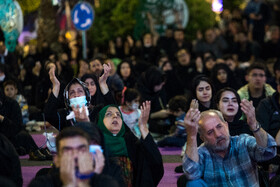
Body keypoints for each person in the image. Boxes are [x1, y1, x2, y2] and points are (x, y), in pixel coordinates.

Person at [181, 103, 277, 186]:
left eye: (219, 126)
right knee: (193, 183)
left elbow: (270, 152)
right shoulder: (202, 152)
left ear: (226, 125)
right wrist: (192, 135)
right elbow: (191, 173)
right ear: (203, 138)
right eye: (210, 132)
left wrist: (254, 125)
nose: (218, 134)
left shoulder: (243, 142)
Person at [97, 101, 164, 187]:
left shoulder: (130, 142)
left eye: (118, 115)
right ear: (101, 121)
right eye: (109, 114)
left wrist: (143, 127)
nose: (115, 116)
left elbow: (155, 164)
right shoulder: (96, 144)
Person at [29, 127, 118, 187]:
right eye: (68, 150)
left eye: (81, 150)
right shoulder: (41, 184)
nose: (75, 155)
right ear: (57, 159)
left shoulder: (107, 183)